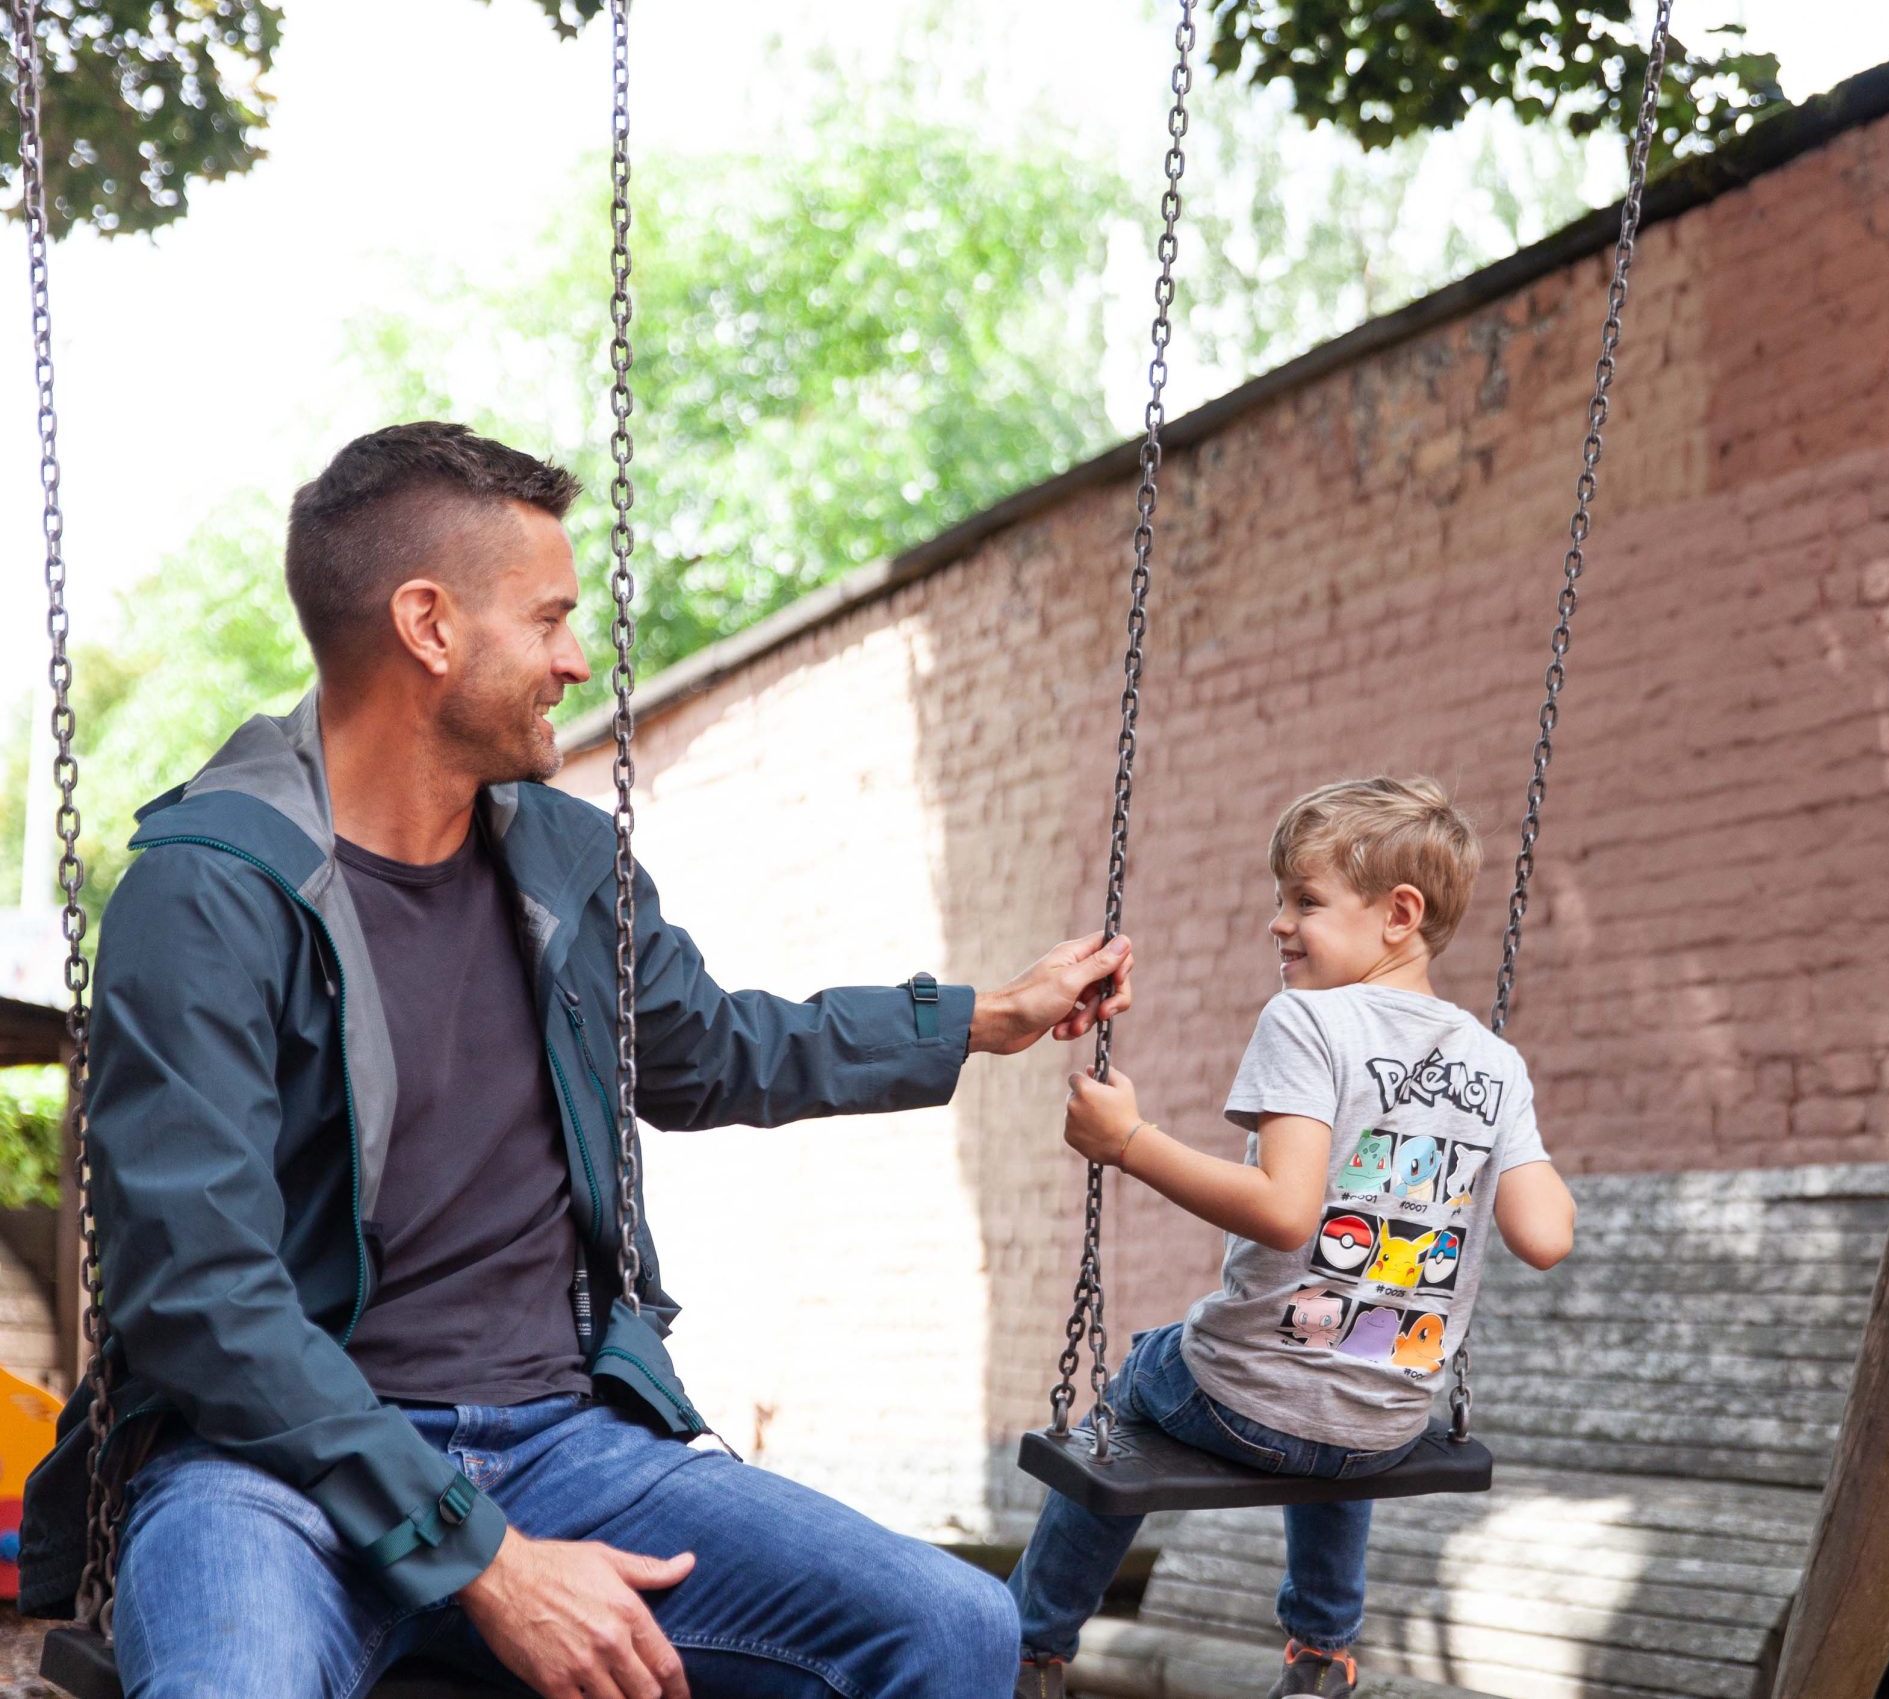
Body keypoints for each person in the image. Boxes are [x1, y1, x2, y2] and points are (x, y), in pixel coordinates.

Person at [21, 421, 1137, 1699]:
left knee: (951, 1625)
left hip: (565, 1444)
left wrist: (979, 1018)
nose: (575, 658)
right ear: (429, 627)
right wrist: (489, 1563)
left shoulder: (564, 863)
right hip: (274, 1470)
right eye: (549, 619)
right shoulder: (207, 894)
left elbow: (711, 1051)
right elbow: (202, 1301)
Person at [1007, 777, 1577, 1699]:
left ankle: (1032, 1648)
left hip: (1240, 1398)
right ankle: (1322, 1652)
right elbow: (1545, 1234)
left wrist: (1129, 1143)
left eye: (1304, 900)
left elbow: (1284, 1210)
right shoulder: (1495, 1065)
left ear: (1400, 914)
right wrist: (1503, 1118)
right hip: (1387, 1427)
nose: (1279, 922)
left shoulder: (1308, 1019)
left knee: (1127, 1397)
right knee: (1346, 1382)